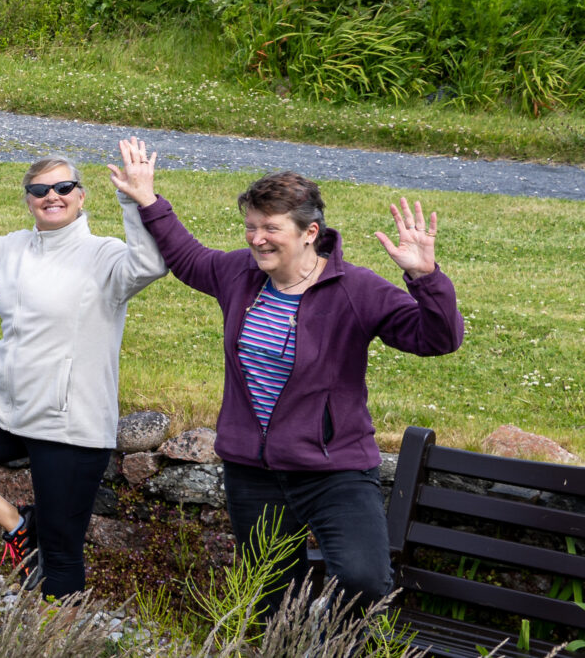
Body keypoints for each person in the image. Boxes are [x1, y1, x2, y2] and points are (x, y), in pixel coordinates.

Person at [123, 159, 461, 613]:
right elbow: (188, 258)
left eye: (271, 228)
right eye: (251, 226)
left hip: (333, 469)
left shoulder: (355, 290)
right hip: (253, 472)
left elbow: (437, 339)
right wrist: (147, 198)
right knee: (269, 594)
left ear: (309, 232)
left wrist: (425, 277)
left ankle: (322, 641)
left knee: (365, 580)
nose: (257, 238)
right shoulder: (240, 275)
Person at [0, 130, 167, 599]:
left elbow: (149, 264)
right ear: (28, 200)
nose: (51, 196)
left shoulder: (105, 257)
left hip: (68, 426)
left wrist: (136, 200)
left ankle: (57, 640)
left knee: (60, 556)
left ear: (81, 197)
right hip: (7, 409)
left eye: (63, 188)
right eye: (39, 190)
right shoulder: (14, 249)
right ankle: (16, 521)